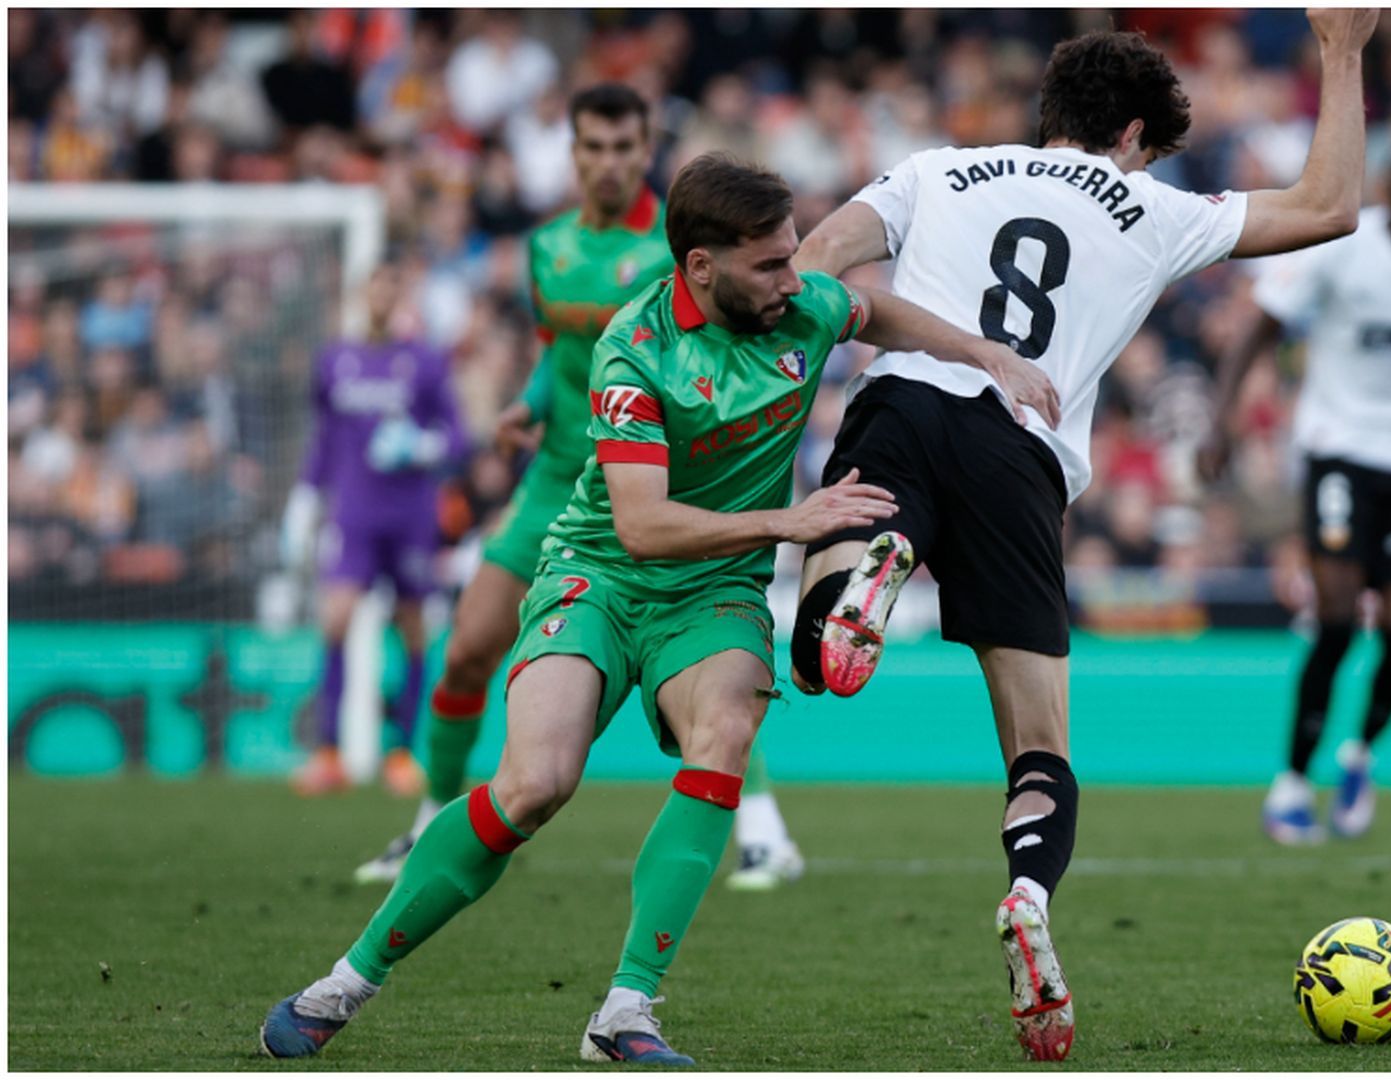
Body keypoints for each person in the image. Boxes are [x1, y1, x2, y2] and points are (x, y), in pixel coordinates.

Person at [259, 152, 1049, 1065]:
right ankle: (346, 981)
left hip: (716, 593)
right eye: (771, 264)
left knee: (726, 732)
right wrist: (789, 522)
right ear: (701, 268)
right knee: (533, 786)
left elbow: (876, 311)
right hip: (599, 576)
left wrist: (985, 353)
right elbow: (640, 526)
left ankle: (626, 1010)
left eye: (795, 257)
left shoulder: (805, 307)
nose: (795, 279)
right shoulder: (635, 349)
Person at [787, 10, 1378, 1061]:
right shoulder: (1153, 207)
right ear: (1135, 134)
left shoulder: (937, 171)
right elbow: (1332, 207)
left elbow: (814, 268)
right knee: (1041, 747)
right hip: (1022, 450)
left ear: (1049, 112)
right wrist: (1341, 48)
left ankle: (869, 574)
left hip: (906, 401)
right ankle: (1026, 894)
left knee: (820, 631)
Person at [353, 84, 804, 892]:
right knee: (465, 649)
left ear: (644, 151)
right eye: (592, 147)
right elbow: (558, 357)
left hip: (643, 479)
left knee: (704, 660)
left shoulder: (680, 253)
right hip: (555, 481)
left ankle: (763, 829)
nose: (608, 162)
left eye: (624, 147)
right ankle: (426, 818)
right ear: (574, 153)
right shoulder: (548, 247)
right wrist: (525, 408)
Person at [1198, 140, 1391, 844]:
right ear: (1387, 181)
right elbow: (1259, 329)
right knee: (1335, 618)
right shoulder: (1341, 245)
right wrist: (1223, 420)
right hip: (1339, 450)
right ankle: (1294, 779)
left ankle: (1359, 754)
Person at [281, 262, 465, 797]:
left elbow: (457, 437)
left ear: (401, 293)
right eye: (376, 286)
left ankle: (402, 753)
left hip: (409, 518)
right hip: (355, 516)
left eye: (393, 286)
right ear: (364, 294)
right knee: (335, 619)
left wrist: (423, 445)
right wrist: (304, 497)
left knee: (411, 629)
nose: (384, 296)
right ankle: (328, 753)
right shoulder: (336, 360)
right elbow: (325, 438)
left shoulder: (425, 363)